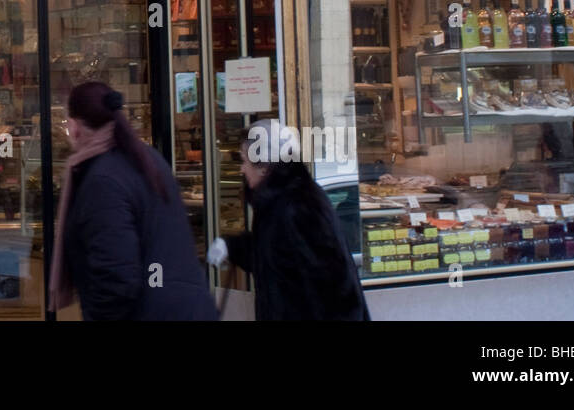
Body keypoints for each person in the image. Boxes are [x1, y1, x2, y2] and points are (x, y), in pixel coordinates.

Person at [49, 81, 216, 321]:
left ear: (74, 127)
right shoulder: (147, 158)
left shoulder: (102, 181)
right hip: (186, 308)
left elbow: (116, 279)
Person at [209, 120, 369, 321]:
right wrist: (232, 247)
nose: (242, 169)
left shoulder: (300, 206)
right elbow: (274, 256)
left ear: (264, 167)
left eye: (244, 161)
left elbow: (337, 289)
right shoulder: (276, 203)